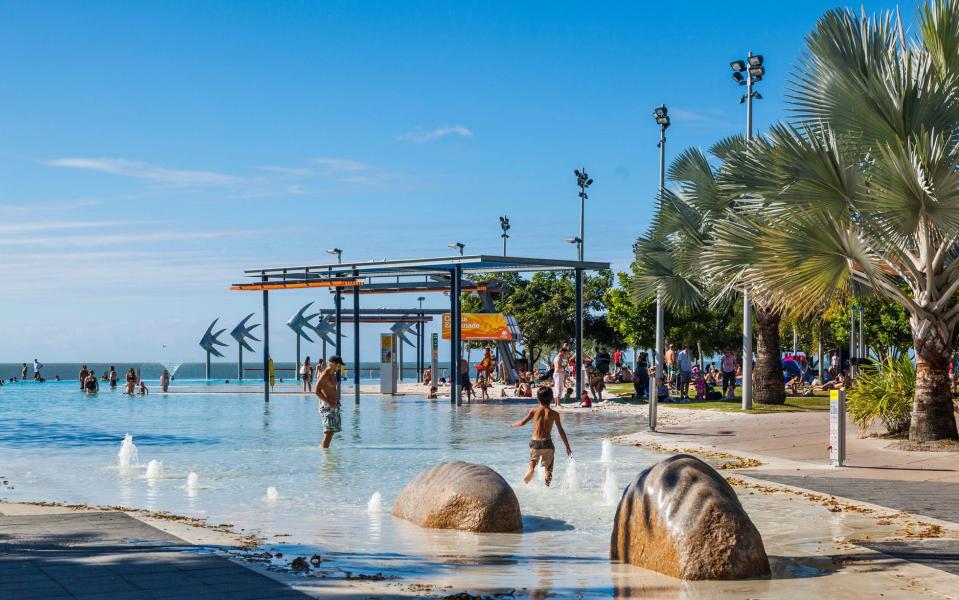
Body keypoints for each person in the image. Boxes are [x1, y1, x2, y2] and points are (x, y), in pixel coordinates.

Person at [510, 387, 572, 487]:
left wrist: (512, 425)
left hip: (535, 443)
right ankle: (547, 486)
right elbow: (561, 431)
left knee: (533, 460)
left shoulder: (534, 410)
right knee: (548, 468)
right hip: (548, 443)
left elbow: (522, 422)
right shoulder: (554, 414)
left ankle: (531, 469)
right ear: (552, 398)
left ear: (538, 398)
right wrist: (567, 447)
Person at [315, 355, 343, 448]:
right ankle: (325, 460)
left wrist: (336, 400)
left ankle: (325, 453)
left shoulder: (333, 374)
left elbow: (332, 389)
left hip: (333, 406)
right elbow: (316, 391)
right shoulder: (326, 374)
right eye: (339, 365)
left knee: (331, 432)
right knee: (328, 432)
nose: (340, 368)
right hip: (327, 406)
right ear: (333, 364)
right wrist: (328, 402)